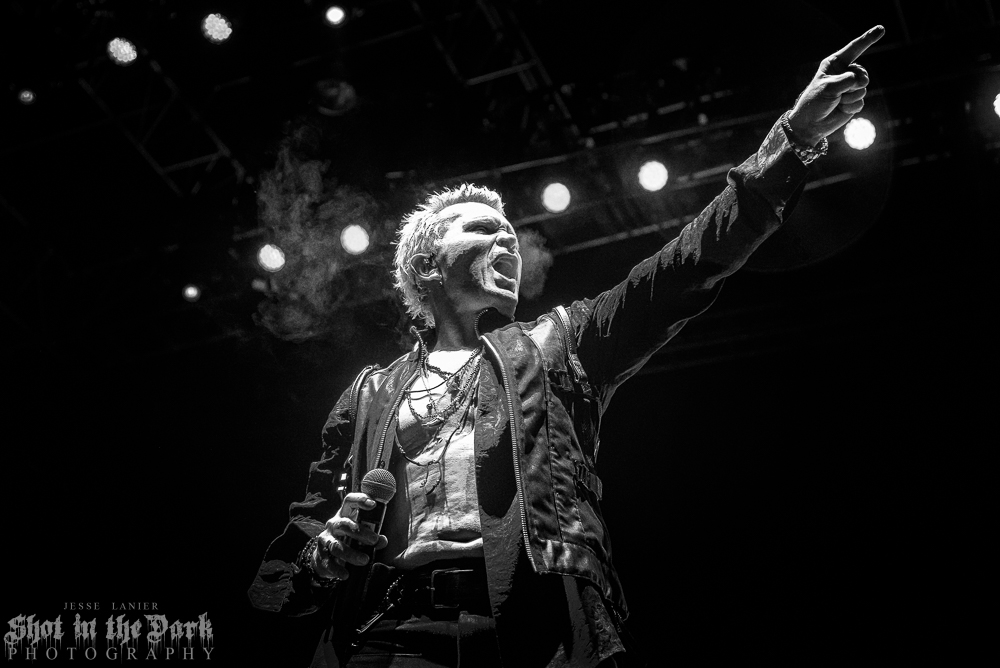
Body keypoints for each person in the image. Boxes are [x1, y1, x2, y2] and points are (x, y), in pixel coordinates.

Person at [249, 26, 886, 667]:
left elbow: (690, 265)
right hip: (389, 634)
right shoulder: (371, 393)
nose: (508, 244)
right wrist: (324, 551)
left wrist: (794, 141)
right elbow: (301, 538)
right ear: (427, 268)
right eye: (481, 230)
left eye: (511, 235)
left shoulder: (563, 341)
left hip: (535, 625)